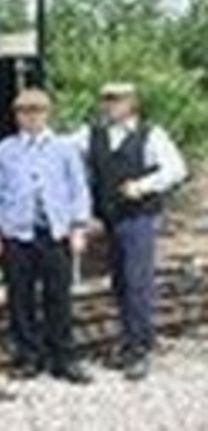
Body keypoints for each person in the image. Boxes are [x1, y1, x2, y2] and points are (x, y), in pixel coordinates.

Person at [69, 82, 188, 380]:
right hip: (107, 220)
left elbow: (176, 169)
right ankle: (128, 341)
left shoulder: (150, 134)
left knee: (137, 283)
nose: (110, 105)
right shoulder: (90, 134)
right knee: (120, 283)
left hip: (138, 218)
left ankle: (140, 349)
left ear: (131, 102)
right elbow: (60, 149)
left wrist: (143, 185)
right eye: (106, 99)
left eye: (117, 100)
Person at [0, 88, 92, 384]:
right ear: (17, 116)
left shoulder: (65, 149)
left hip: (56, 232)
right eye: (24, 111)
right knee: (20, 298)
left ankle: (62, 357)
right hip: (17, 233)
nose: (30, 117)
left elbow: (78, 188)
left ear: (47, 113)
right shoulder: (3, 150)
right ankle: (28, 356)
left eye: (36, 110)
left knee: (59, 297)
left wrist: (79, 227)